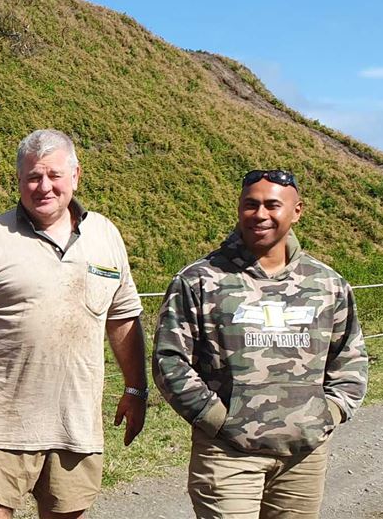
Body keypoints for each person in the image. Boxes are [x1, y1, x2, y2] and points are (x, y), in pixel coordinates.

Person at [0, 129, 148, 519]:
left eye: (54, 175)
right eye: (33, 177)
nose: (44, 186)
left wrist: (136, 389)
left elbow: (123, 318)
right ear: (19, 181)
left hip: (75, 422)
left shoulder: (105, 236)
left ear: (76, 176)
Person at [152, 169, 369, 519]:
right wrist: (217, 419)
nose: (260, 214)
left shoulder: (327, 284)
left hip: (304, 457)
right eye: (250, 205)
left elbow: (350, 357)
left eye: (272, 205)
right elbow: (170, 360)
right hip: (227, 455)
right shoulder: (200, 280)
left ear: (297, 210)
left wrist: (328, 413)